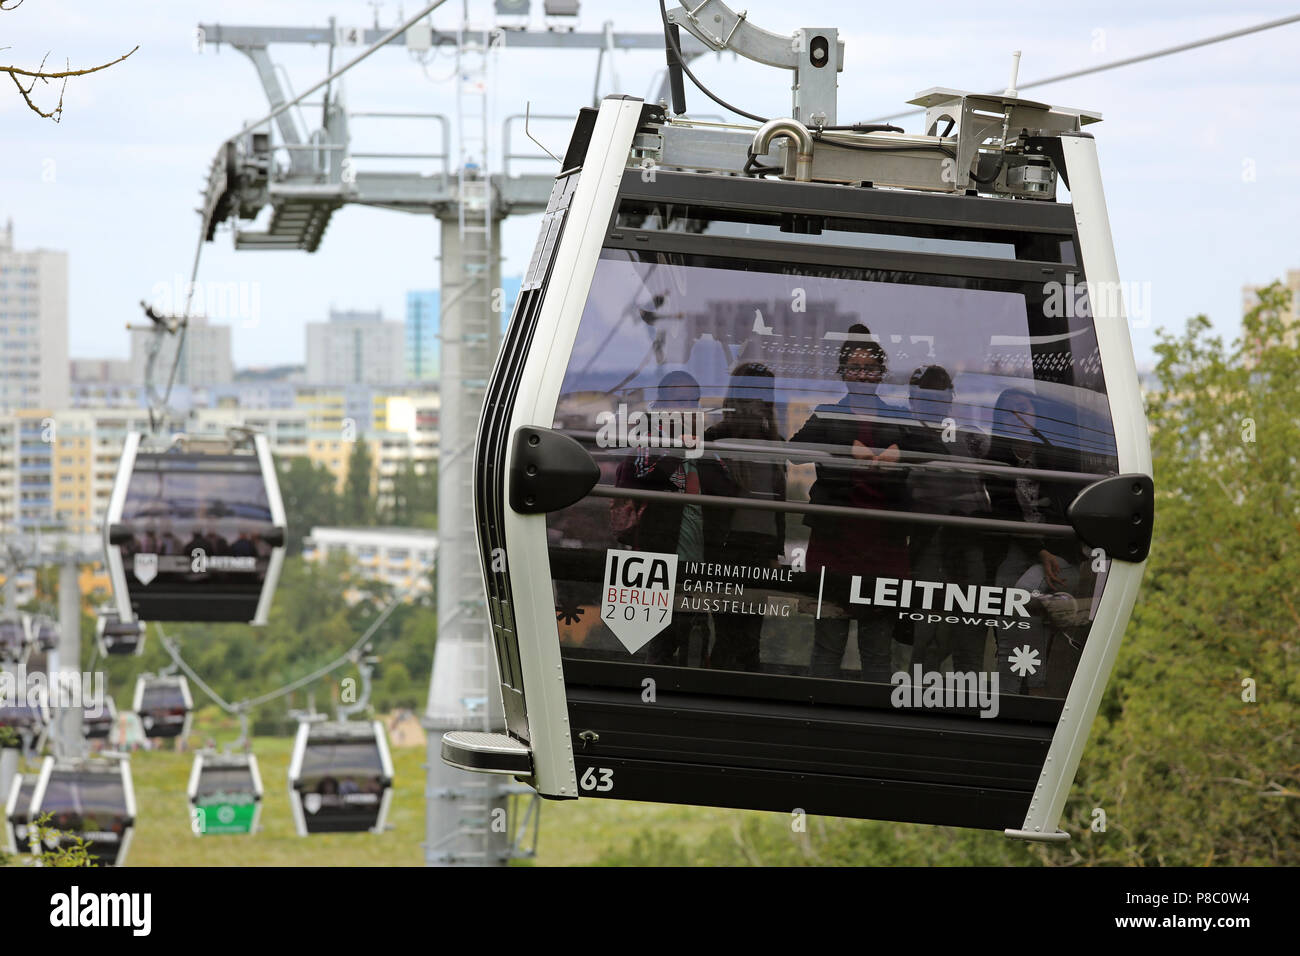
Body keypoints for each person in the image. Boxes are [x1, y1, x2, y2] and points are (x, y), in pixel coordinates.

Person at [789, 325, 909, 683]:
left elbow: (937, 450)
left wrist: (901, 452)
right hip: (835, 540)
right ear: (842, 373)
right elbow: (794, 452)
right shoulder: (827, 413)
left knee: (877, 648)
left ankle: (878, 727)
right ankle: (817, 719)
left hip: (883, 544)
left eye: (869, 368)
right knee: (828, 642)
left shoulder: (898, 416)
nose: (862, 375)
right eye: (854, 368)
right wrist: (843, 449)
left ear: (881, 374)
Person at [985, 387, 1080, 694]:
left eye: (1023, 410)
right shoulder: (995, 460)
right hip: (1021, 546)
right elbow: (1004, 514)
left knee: (1024, 595)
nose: (1016, 417)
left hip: (1059, 550)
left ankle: (1035, 688)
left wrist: (1047, 550)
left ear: (1036, 416)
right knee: (1003, 603)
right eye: (1008, 411)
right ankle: (1008, 690)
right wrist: (1036, 550)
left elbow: (1068, 515)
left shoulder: (1056, 457)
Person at [900, 365, 990, 676]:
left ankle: (965, 692)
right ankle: (918, 690)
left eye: (940, 396)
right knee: (928, 626)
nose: (934, 403)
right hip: (931, 541)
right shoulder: (904, 437)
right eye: (927, 397)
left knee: (968, 624)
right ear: (914, 401)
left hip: (966, 539)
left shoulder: (968, 437)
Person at [702, 363, 787, 672]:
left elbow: (780, 502)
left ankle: (743, 695)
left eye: (765, 391)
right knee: (728, 633)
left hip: (761, 548)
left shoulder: (774, 441)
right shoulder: (715, 437)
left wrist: (776, 551)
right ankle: (721, 698)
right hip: (727, 546)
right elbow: (707, 501)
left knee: (751, 634)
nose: (760, 398)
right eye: (755, 389)